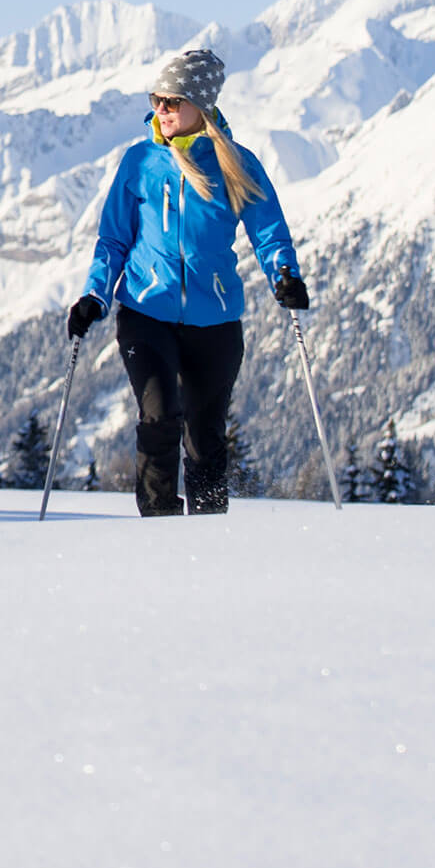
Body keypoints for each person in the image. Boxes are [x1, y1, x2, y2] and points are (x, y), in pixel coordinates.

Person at [65, 48, 306, 517]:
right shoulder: (140, 161)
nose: (162, 109)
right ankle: (159, 524)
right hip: (146, 311)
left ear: (201, 105)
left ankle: (209, 531)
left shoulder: (236, 163)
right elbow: (113, 239)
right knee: (158, 417)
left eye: (172, 101)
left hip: (215, 319)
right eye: (157, 99)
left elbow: (269, 232)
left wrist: (285, 275)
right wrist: (95, 295)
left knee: (205, 434)